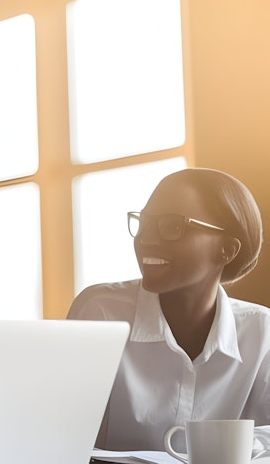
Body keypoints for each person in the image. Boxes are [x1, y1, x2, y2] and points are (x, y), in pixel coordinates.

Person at [68, 168, 270, 454]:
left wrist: (230, 447)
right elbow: (65, 434)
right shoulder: (100, 311)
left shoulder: (260, 332)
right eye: (144, 223)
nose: (145, 240)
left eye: (173, 226)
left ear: (227, 249)